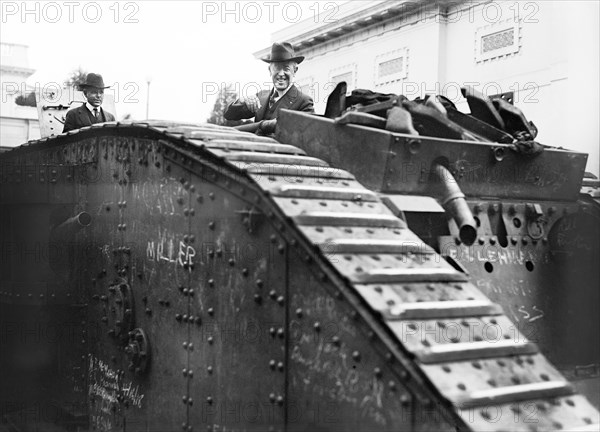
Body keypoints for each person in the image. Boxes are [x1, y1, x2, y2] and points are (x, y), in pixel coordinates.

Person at [224, 42, 314, 135]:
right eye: (277, 68)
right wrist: (242, 101)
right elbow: (229, 115)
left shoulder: (304, 102)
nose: (281, 74)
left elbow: (309, 135)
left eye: (286, 69)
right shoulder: (261, 96)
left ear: (294, 71)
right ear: (270, 71)